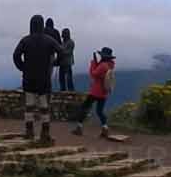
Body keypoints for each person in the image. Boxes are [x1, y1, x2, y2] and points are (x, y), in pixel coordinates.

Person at [15, 14, 64, 144]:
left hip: (29, 77)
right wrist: (55, 63)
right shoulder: (49, 40)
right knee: (44, 106)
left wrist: (22, 67)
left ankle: (29, 131)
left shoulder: (25, 40)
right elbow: (62, 52)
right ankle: (45, 132)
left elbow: (16, 55)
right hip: (44, 77)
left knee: (29, 105)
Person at [73, 47, 117, 138]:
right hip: (104, 92)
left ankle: (79, 127)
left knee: (84, 107)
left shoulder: (102, 66)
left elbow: (93, 74)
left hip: (95, 91)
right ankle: (105, 128)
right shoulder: (110, 65)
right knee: (100, 111)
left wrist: (93, 63)